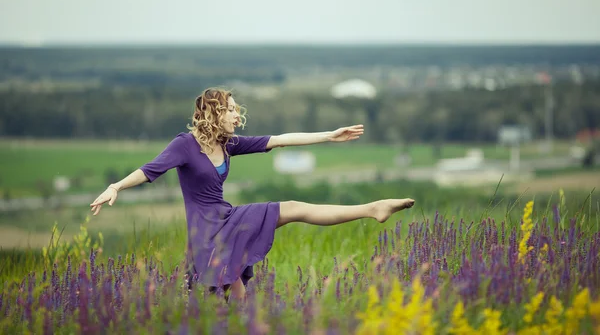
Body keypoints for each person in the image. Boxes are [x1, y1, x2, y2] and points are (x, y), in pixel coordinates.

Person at [90, 88, 415, 301]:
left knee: (293, 209)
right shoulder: (184, 145)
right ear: (213, 112)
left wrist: (329, 136)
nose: (236, 115)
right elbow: (150, 170)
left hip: (227, 220)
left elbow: (281, 139)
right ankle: (372, 208)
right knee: (226, 300)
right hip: (207, 234)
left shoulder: (228, 144)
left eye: (235, 110)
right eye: (230, 109)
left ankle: (373, 208)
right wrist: (116, 186)